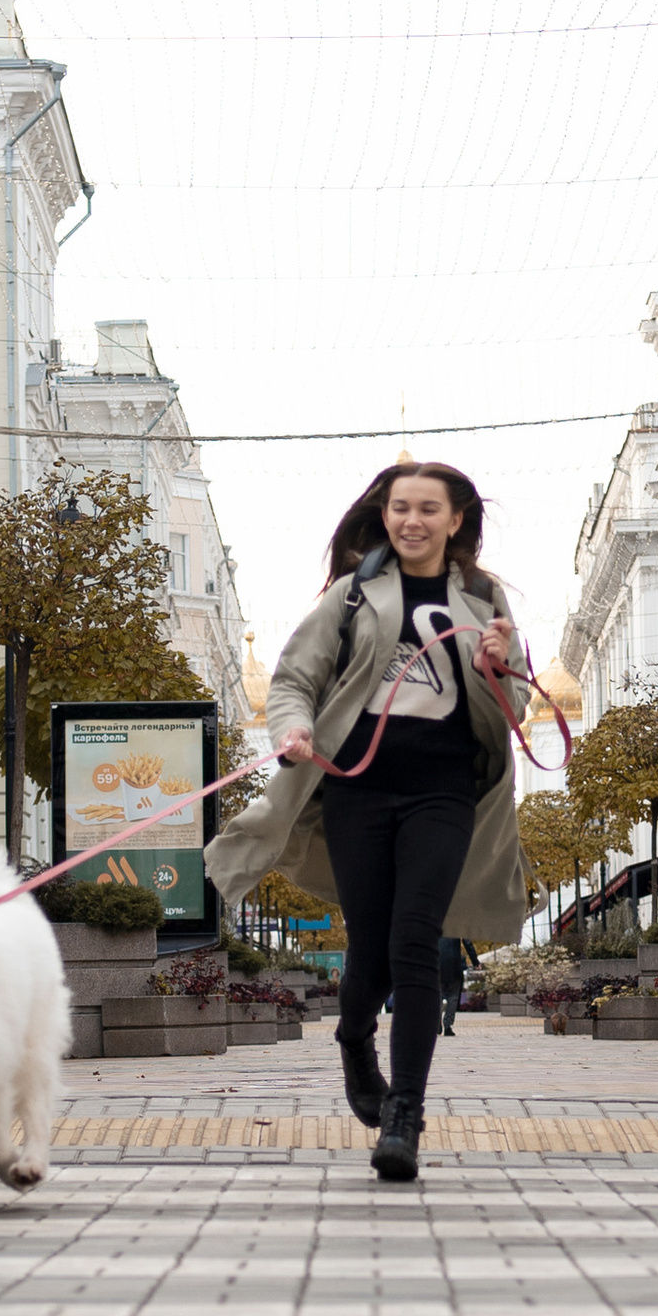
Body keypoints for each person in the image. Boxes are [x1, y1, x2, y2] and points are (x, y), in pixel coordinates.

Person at [204, 460, 533, 1184]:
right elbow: (294, 680)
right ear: (383, 515)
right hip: (358, 790)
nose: (411, 521)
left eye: (427, 509)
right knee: (372, 955)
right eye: (399, 508)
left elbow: (519, 707)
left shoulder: (482, 598)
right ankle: (355, 1037)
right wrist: (293, 730)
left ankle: (404, 1114)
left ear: (456, 520)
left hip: (444, 791)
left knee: (417, 941)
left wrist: (501, 666)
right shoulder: (353, 595)